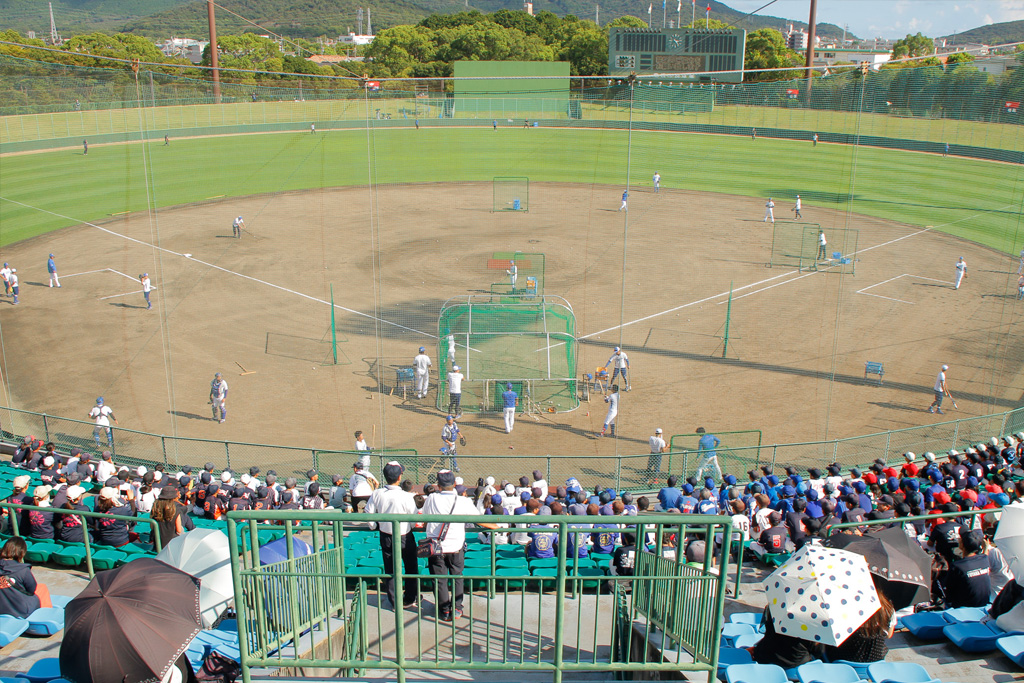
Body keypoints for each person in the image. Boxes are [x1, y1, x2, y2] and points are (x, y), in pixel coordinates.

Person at [421, 470, 496, 621]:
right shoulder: (463, 501)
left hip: (436, 547)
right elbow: (479, 520)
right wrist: (497, 527)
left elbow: (425, 520)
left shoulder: (431, 498)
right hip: (455, 546)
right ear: (454, 484)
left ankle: (444, 610)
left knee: (439, 579)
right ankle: (456, 608)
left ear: (438, 485)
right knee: (457, 576)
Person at [365, 462, 419, 609]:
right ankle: (410, 597)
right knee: (411, 567)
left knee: (390, 568)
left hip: (386, 535)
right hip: (404, 536)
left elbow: (368, 512)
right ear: (399, 477)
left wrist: (374, 525)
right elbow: (414, 518)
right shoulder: (406, 496)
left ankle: (395, 601)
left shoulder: (377, 493)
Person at [823, 589, 895, 663]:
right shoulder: (888, 609)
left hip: (843, 661)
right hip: (875, 662)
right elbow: (889, 635)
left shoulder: (843, 608)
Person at [0, 538, 45, 618]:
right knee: (42, 589)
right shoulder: (23, 570)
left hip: (2, 610)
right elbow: (31, 590)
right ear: (22, 552)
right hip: (22, 611)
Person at [151, 487, 185, 551]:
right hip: (171, 545)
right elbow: (179, 530)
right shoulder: (176, 510)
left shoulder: (155, 509)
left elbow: (152, 527)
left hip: (158, 545)